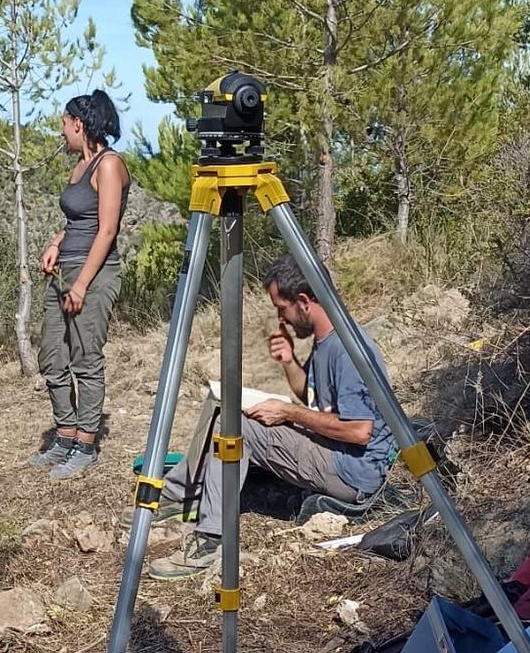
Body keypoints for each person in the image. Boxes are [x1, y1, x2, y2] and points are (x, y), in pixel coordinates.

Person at [148, 252, 393, 580]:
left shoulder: (347, 348)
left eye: (283, 308)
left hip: (351, 471)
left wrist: (289, 413)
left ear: (303, 301)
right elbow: (314, 398)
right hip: (337, 454)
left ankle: (209, 541)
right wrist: (289, 360)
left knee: (234, 425)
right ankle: (178, 497)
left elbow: (360, 430)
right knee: (224, 406)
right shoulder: (326, 341)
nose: (284, 318)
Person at [33, 89, 130, 481]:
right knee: (52, 356)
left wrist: (81, 285)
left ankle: (86, 444)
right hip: (65, 271)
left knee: (85, 358)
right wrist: (55, 243)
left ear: (80, 124)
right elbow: (77, 221)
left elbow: (106, 230)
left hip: (93, 274)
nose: (61, 132)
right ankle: (65, 434)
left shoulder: (109, 165)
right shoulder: (79, 166)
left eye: (63, 124)